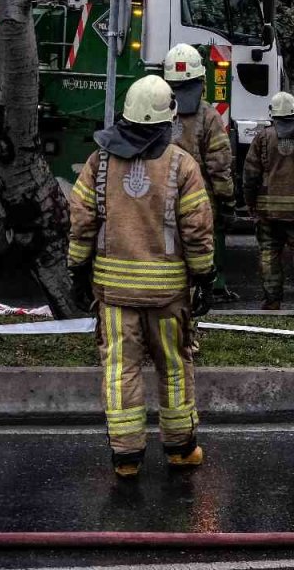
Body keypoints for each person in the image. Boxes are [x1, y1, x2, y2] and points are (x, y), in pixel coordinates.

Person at [67, 75, 215, 478]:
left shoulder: (100, 163)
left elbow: (81, 221)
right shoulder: (182, 165)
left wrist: (78, 270)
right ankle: (181, 449)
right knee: (174, 366)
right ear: (167, 118)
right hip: (168, 296)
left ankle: (127, 458)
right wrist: (204, 278)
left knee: (120, 369)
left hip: (114, 296)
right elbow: (197, 230)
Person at [163, 43, 237, 304]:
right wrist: (227, 202)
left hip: (158, 198)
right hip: (199, 201)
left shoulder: (153, 111)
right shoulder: (208, 116)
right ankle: (208, 290)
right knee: (202, 247)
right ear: (202, 80)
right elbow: (219, 165)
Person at [243, 91, 294, 311]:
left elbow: (250, 174)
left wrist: (250, 202)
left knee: (269, 253)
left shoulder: (263, 137)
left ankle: (272, 300)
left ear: (273, 114)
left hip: (268, 209)